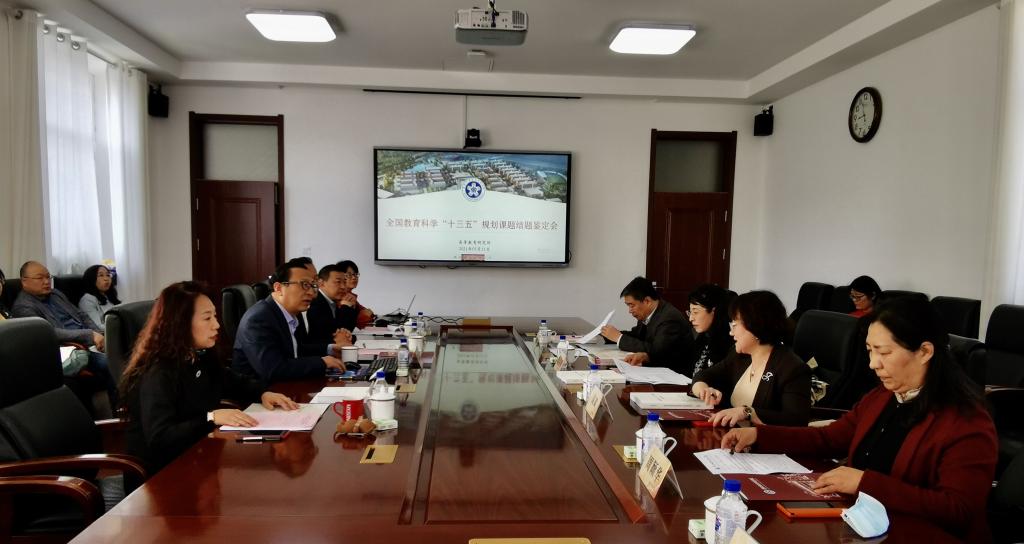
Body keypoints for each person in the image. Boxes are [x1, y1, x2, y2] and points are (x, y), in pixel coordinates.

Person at [721, 297, 997, 542]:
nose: (873, 363)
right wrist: (760, 435)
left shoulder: (966, 421)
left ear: (925, 352)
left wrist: (865, 482)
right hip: (861, 527)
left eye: (884, 352)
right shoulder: (883, 396)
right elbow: (829, 438)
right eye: (870, 350)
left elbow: (958, 510)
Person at [121, 281, 299, 473]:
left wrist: (263, 393)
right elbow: (160, 436)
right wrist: (211, 418)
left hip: (198, 457)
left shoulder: (199, 354)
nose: (217, 325)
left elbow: (231, 381)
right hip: (161, 474)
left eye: (214, 316)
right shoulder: (158, 371)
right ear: (180, 324)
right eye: (207, 318)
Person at [691, 290, 810, 426]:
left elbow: (795, 421)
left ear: (755, 327)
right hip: (731, 434)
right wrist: (703, 390)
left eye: (734, 325)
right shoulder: (740, 356)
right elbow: (703, 375)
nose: (731, 332)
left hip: (763, 438)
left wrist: (747, 412)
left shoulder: (792, 368)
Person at [12, 261, 117, 409]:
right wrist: (89, 335)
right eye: (40, 278)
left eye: (48, 277)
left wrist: (99, 334)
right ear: (24, 281)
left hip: (90, 340)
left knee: (129, 354)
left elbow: (81, 315)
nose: (46, 281)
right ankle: (120, 412)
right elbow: (49, 332)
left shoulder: (56, 294)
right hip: (72, 349)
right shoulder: (23, 307)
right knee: (112, 363)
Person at [231, 258, 347, 383]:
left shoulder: (288, 313)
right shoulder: (259, 319)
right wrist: (322, 362)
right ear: (279, 288)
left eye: (312, 285)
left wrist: (330, 349)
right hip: (262, 391)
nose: (311, 293)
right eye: (304, 285)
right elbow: (273, 369)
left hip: (286, 385)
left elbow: (295, 350)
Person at [599, 276, 694, 372]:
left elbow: (656, 351)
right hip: (655, 369)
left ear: (647, 301)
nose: (630, 311)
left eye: (632, 305)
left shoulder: (669, 318)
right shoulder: (648, 313)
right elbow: (637, 336)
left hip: (674, 373)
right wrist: (607, 335)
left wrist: (619, 338)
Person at [685, 284, 736, 378]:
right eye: (690, 312)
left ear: (713, 311)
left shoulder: (729, 343)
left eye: (695, 312)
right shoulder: (702, 337)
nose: (691, 318)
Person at [305, 263, 354, 348]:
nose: (343, 287)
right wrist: (345, 307)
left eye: (344, 282)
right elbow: (333, 334)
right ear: (321, 283)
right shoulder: (315, 303)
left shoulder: (333, 301)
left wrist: (349, 306)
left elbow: (347, 329)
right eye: (338, 282)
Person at [78, 264, 121, 330]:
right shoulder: (87, 300)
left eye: (108, 275)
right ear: (91, 279)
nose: (106, 279)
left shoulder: (108, 296)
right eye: (101, 275)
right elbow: (97, 327)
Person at [336, 260, 375, 330]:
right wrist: (364, 315)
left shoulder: (351, 296)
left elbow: (368, 312)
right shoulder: (339, 297)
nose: (354, 277)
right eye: (349, 275)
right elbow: (354, 322)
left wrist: (366, 314)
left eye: (356, 274)